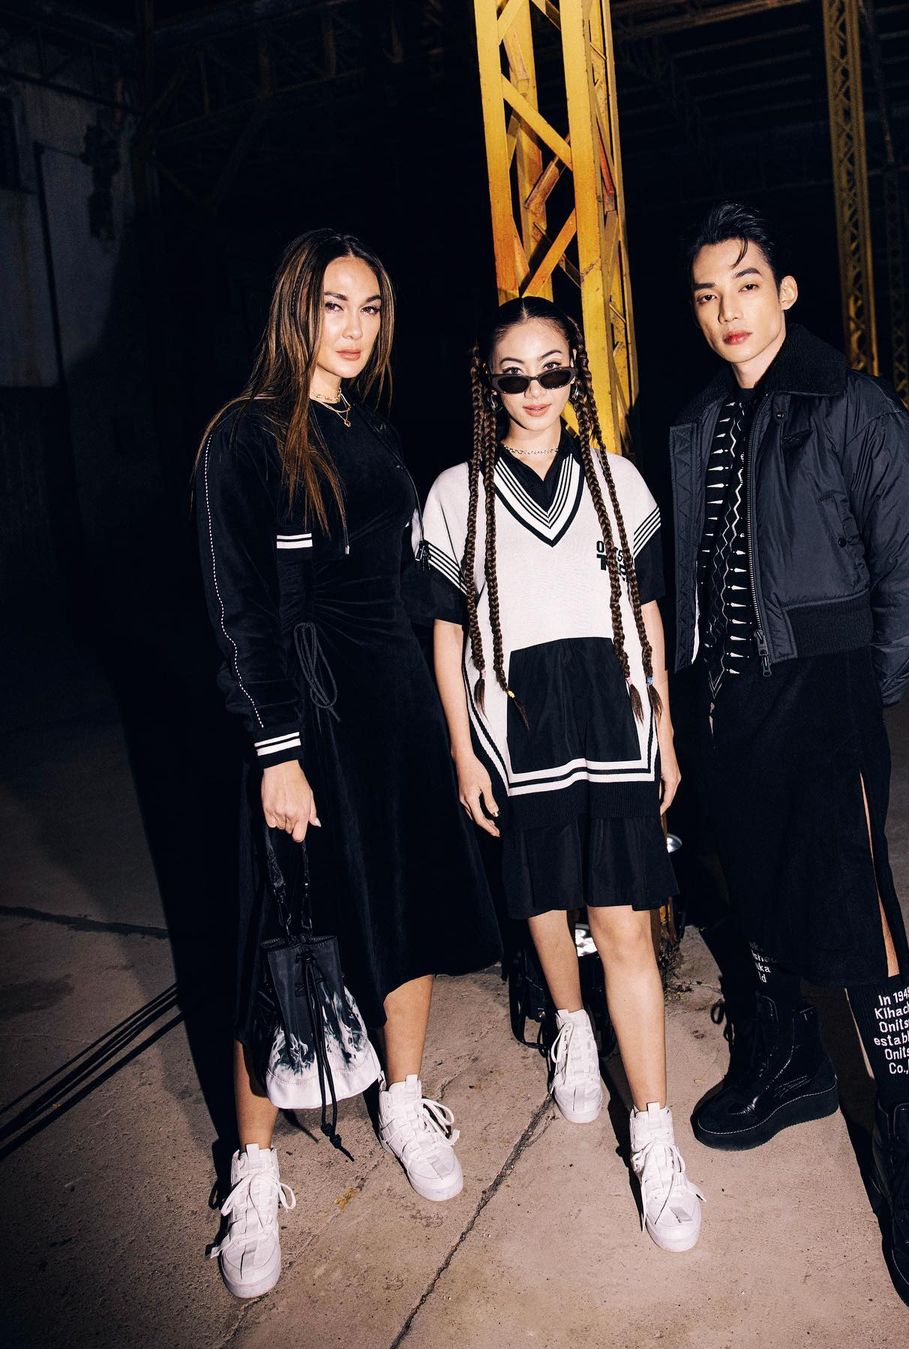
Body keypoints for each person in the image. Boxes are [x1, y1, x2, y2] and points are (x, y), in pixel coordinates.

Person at [670, 202, 909, 1318]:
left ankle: (904, 1148)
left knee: (858, 910)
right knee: (753, 889)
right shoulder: (698, 418)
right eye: (707, 294)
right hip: (730, 701)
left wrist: (868, 685)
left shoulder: (847, 403)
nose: (728, 311)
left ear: (785, 292)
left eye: (746, 285)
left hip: (825, 688)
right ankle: (791, 1055)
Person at [195, 229, 501, 1300]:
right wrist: (275, 748)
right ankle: (253, 1167)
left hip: (396, 705)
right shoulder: (245, 435)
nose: (356, 328)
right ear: (297, 310)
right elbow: (237, 607)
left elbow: (413, 580)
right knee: (284, 935)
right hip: (306, 722)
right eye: (336, 305)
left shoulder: (373, 432)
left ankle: (403, 1099)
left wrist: (461, 697)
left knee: (403, 908)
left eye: (372, 308)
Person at [423, 296, 703, 1253]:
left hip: (613, 716)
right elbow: (446, 633)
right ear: (489, 382)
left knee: (623, 919)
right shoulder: (455, 494)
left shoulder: (617, 480)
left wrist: (666, 727)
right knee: (544, 892)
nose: (536, 389)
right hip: (518, 721)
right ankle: (571, 1024)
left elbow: (650, 609)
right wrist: (462, 746)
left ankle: (655, 1135)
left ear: (574, 373)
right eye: (515, 374)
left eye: (554, 369)